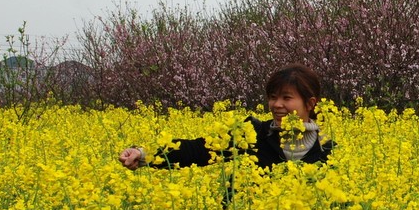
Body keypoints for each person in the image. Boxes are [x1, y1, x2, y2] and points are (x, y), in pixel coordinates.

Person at [119, 64, 333, 170]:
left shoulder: (328, 152)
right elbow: (196, 150)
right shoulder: (249, 134)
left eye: (287, 98)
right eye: (273, 97)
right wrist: (144, 154)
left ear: (310, 103)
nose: (277, 105)